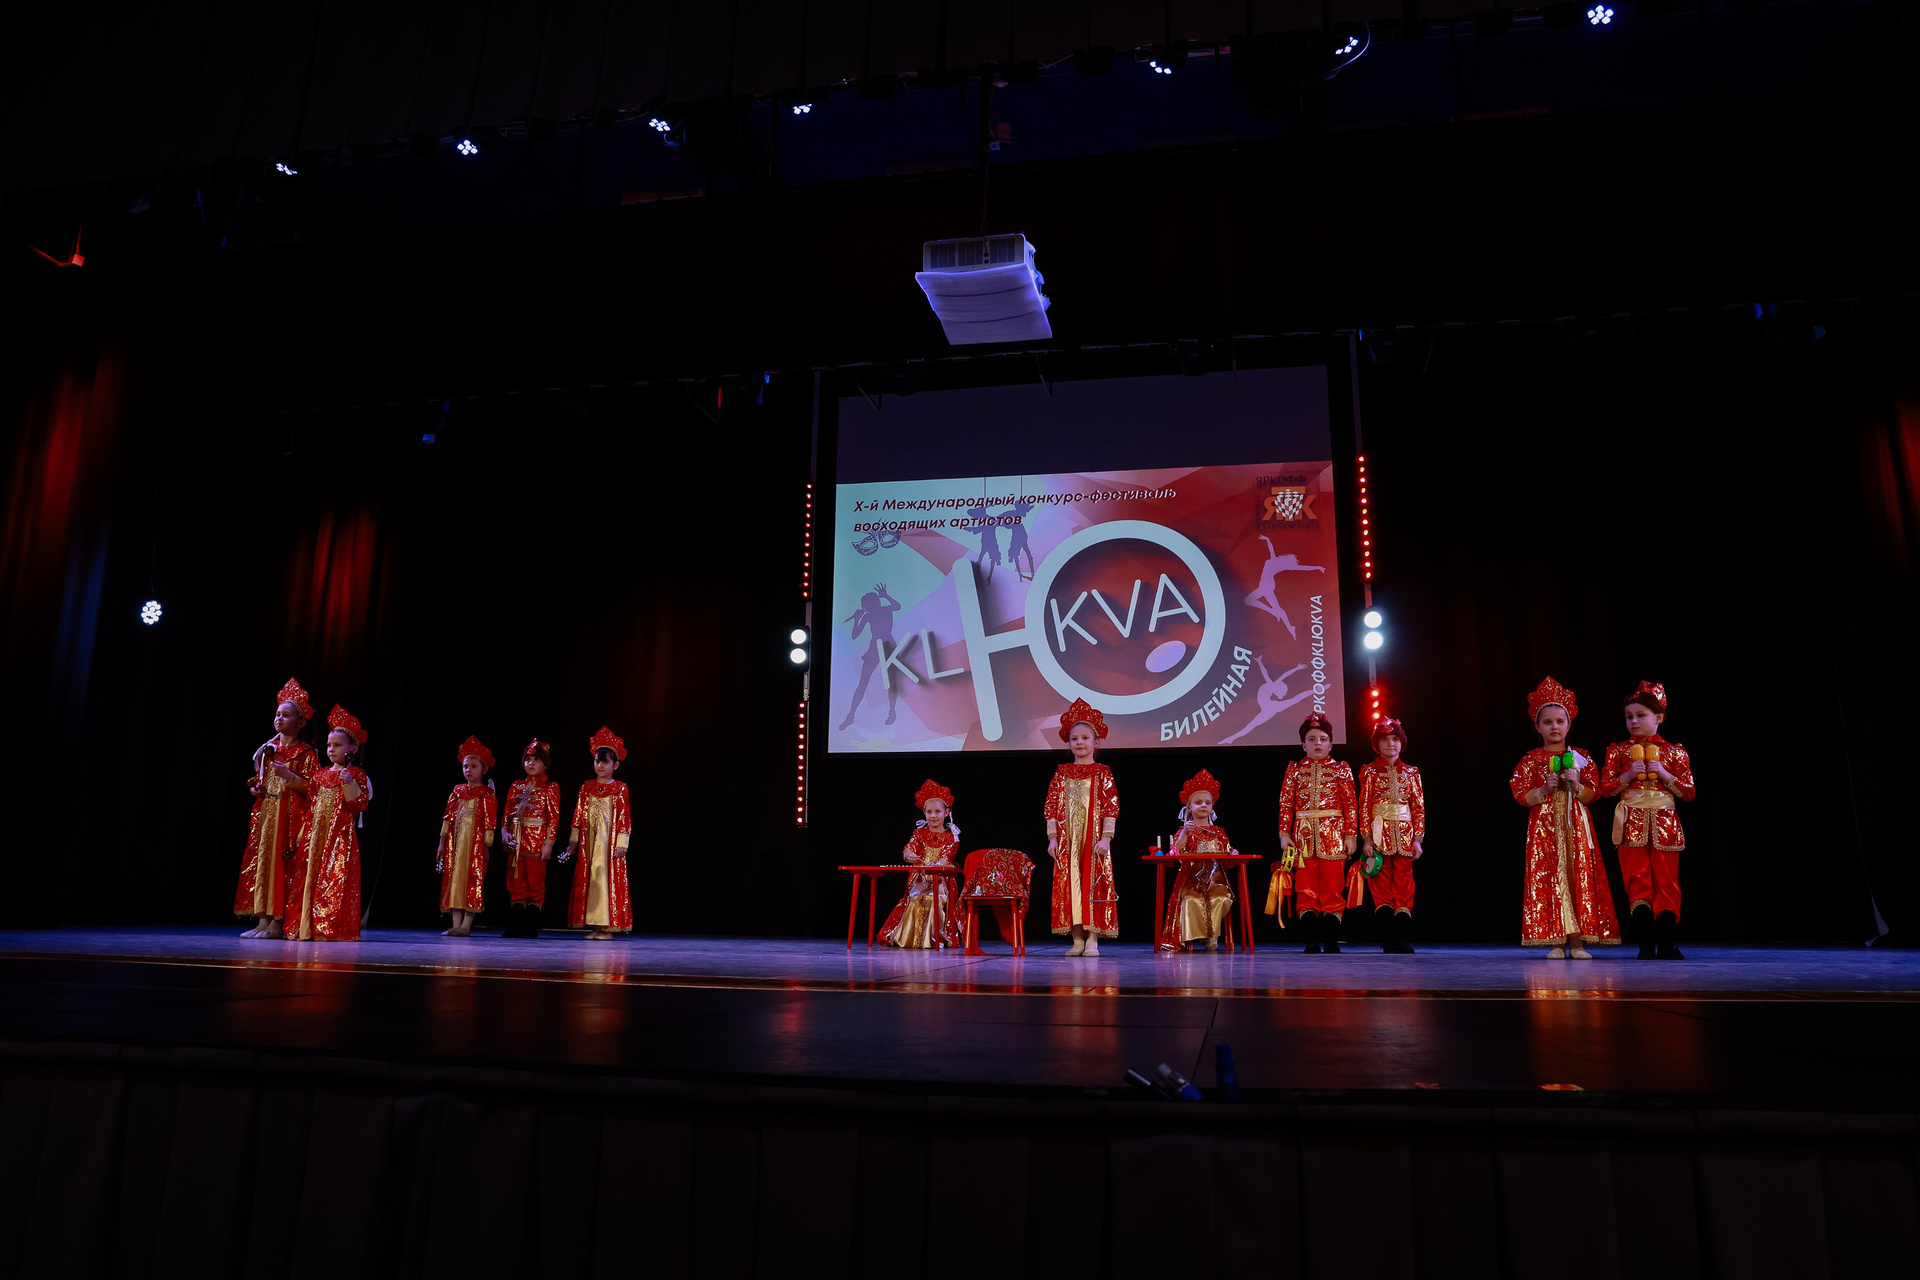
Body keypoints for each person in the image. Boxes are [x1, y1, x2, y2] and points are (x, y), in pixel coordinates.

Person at [1511, 677, 1620, 958]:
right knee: (1550, 876)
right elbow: (1519, 792)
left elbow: (1594, 793)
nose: (1554, 727)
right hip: (1545, 828)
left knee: (1577, 875)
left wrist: (1578, 785)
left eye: (1560, 721)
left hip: (1576, 825)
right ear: (1538, 727)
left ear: (1569, 725)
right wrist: (1543, 790)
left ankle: (1578, 942)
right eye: (1547, 722)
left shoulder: (1581, 758)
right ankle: (1556, 941)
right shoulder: (1530, 760)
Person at [1599, 682, 1697, 960]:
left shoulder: (1675, 752)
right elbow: (1605, 789)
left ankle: (1666, 943)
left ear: (1659, 717)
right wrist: (1628, 776)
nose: (1633, 721)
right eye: (1629, 716)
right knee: (1636, 881)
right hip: (1631, 824)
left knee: (1667, 882)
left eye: (1641, 715)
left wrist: (1665, 775)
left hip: (1665, 824)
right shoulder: (1617, 751)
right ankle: (1645, 944)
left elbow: (1689, 792)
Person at [235, 677, 320, 939]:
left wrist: (289, 777)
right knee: (263, 862)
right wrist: (258, 789)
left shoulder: (306, 753)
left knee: (283, 865)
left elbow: (313, 787)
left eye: (286, 715)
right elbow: (261, 778)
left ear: (300, 722)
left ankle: (278, 922)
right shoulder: (269, 750)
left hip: (289, 816)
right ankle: (263, 919)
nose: (279, 719)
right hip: (267, 814)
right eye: (277, 714)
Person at [286, 705, 371, 941]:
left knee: (333, 880)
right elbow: (311, 807)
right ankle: (305, 925)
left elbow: (359, 804)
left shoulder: (356, 774)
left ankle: (328, 926)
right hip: (315, 837)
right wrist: (303, 834)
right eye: (329, 745)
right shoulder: (319, 774)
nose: (331, 750)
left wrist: (349, 782)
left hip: (338, 839)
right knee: (308, 878)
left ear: (352, 749)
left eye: (337, 745)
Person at [1045, 698, 1120, 956]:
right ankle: (1077, 939)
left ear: (1096, 742)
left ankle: (1093, 939)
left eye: (1085, 738)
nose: (1079, 743)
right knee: (1070, 885)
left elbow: (1111, 806)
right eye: (1074, 739)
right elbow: (1050, 807)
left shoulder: (1102, 773)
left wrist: (1106, 838)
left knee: (1093, 883)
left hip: (1094, 839)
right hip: (1067, 841)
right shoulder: (1061, 773)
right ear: (1068, 743)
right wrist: (1053, 838)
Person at [1278, 713, 1358, 953]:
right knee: (1305, 889)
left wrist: (1350, 835)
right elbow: (1286, 803)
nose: (1318, 743)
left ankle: (1331, 940)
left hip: (1333, 835)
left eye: (1323, 739)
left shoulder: (1341, 769)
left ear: (1330, 744)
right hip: (1302, 837)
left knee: (1333, 887)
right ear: (1304, 744)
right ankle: (1311, 941)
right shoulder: (1294, 769)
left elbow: (1350, 804)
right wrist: (1284, 833)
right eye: (1312, 739)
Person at [1358, 717, 1425, 954]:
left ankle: (1403, 939)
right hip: (1379, 835)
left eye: (1395, 739)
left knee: (1405, 885)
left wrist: (1418, 839)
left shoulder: (1412, 772)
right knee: (1380, 884)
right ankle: (1388, 939)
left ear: (1402, 743)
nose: (1390, 743)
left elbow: (1418, 807)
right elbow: (1364, 806)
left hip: (1405, 835)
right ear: (1377, 744)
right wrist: (1366, 838)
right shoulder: (1369, 771)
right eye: (1385, 739)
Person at [560, 727, 633, 940]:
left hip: (608, 843)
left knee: (605, 878)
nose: (600, 765)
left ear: (615, 765)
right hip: (588, 843)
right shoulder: (586, 787)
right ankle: (595, 926)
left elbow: (624, 818)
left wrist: (622, 843)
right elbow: (578, 815)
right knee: (590, 878)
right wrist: (573, 841)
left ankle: (607, 928)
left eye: (605, 762)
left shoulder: (620, 788)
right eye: (597, 761)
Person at [877, 779, 965, 949]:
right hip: (920, 879)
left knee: (934, 900)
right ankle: (910, 939)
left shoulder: (952, 836)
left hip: (942, 881)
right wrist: (909, 854)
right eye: (929, 812)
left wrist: (936, 866)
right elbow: (909, 848)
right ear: (924, 813)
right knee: (916, 898)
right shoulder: (919, 832)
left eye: (937, 811)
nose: (933, 816)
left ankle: (934, 939)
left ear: (946, 812)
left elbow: (947, 857)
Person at [1156, 769, 1237, 952]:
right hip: (1190, 881)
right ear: (1188, 807)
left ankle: (1211, 935)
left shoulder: (1219, 832)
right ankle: (1196, 936)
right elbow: (1174, 853)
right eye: (1198, 802)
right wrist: (1185, 833)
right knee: (1190, 900)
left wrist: (1232, 854)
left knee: (1221, 899)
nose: (1203, 806)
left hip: (1216, 880)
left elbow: (1228, 858)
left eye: (1207, 803)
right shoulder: (1185, 831)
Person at [499, 739, 562, 939]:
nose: (531, 763)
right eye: (528, 759)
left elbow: (554, 819)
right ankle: (517, 925)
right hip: (516, 840)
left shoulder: (550, 787)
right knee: (515, 883)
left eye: (536, 760)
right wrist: (504, 833)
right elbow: (507, 814)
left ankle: (530, 925)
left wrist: (548, 844)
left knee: (535, 883)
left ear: (545, 764)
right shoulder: (516, 786)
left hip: (537, 841)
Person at [436, 736, 496, 938]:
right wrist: (442, 843)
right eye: (465, 766)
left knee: (472, 880)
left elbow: (490, 822)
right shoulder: (457, 791)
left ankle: (466, 926)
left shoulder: (486, 794)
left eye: (473, 766)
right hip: (455, 845)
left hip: (474, 845)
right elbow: (447, 818)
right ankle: (456, 925)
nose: (468, 770)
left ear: (483, 769)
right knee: (454, 880)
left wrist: (486, 845)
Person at [838, 584, 903, 730]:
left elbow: (898, 606)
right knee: (864, 682)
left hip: (887, 647)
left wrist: (885, 595)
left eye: (868, 604)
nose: (867, 606)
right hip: (876, 648)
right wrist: (857, 618)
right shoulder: (869, 615)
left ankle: (891, 712)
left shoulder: (884, 610)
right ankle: (851, 716)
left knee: (890, 681)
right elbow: (854, 635)